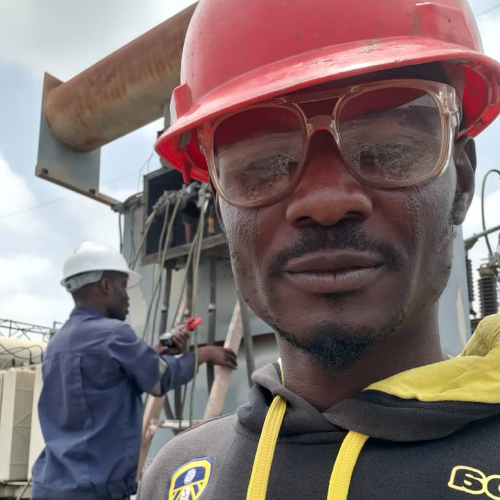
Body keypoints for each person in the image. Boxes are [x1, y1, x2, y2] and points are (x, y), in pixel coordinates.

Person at [138, 0, 500, 499]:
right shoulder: (176, 478)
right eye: (264, 162)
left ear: (461, 182)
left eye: (386, 148)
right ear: (220, 206)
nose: (326, 201)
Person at [31, 242, 237, 500]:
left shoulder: (57, 343)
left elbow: (105, 380)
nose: (128, 297)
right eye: (123, 286)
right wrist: (203, 355)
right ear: (106, 286)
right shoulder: (114, 334)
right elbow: (161, 378)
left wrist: (157, 351)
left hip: (51, 485)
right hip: (95, 489)